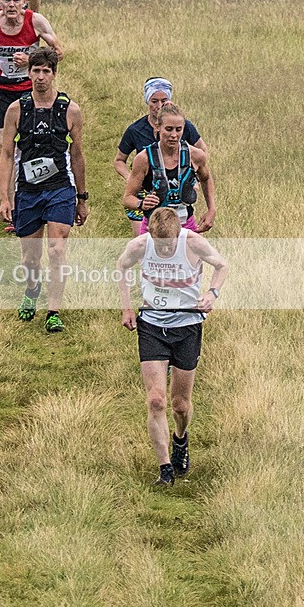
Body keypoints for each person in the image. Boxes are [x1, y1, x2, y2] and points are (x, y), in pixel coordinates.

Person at [117, 206, 227, 485]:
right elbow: (122, 266)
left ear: (179, 233)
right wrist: (127, 307)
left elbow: (222, 265)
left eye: (169, 245)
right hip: (152, 325)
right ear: (150, 235)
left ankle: (180, 438)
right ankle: (165, 468)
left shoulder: (193, 242)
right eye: (159, 244)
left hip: (187, 327)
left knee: (180, 404)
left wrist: (212, 293)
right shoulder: (140, 245)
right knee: (156, 400)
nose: (164, 251)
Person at [0, 48, 88, 332]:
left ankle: (53, 311)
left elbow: (78, 155)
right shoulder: (16, 109)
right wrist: (4, 197)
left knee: (57, 249)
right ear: (29, 74)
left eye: (45, 71)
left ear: (53, 73)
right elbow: (7, 155)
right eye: (35, 71)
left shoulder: (70, 110)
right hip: (28, 189)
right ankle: (32, 288)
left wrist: (82, 198)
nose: (40, 77)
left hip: (61, 187)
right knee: (30, 257)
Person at [0, 0, 62, 230]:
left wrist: (31, 59)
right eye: (6, 0)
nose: (11, 5)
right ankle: (11, 207)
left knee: (29, 149)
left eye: (16, 0)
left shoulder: (36, 21)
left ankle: (28, 201)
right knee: (7, 148)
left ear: (25, 1)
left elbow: (58, 53)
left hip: (28, 93)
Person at [114, 77, 208, 236]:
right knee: (146, 244)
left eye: (164, 100)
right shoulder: (136, 130)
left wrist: (193, 179)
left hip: (181, 203)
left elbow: (202, 153)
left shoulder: (185, 126)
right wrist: (131, 178)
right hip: (147, 192)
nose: (159, 106)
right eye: (154, 101)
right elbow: (119, 161)